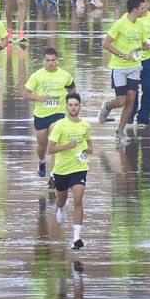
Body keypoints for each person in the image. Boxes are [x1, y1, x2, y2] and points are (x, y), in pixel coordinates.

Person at [100, 0, 150, 137]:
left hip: (135, 66)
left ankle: (120, 130)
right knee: (121, 101)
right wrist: (122, 54)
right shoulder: (120, 23)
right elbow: (106, 44)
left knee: (131, 98)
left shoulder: (140, 23)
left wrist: (148, 45)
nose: (145, 10)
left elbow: (143, 43)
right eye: (142, 8)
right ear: (135, 9)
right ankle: (107, 106)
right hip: (119, 67)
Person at [23, 46, 75, 180]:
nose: (51, 63)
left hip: (58, 114)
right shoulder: (37, 76)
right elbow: (25, 94)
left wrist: (70, 103)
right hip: (41, 115)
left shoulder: (65, 75)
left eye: (53, 60)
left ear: (57, 60)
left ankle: (54, 174)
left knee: (55, 142)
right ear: (44, 61)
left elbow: (72, 89)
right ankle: (41, 161)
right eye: (48, 60)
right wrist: (38, 98)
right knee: (42, 146)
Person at [47, 92, 92, 249]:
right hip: (61, 170)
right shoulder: (59, 125)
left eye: (76, 105)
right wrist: (67, 146)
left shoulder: (85, 126)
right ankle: (60, 207)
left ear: (80, 106)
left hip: (79, 168)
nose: (73, 108)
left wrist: (87, 151)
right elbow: (50, 149)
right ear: (66, 106)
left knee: (78, 200)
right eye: (71, 105)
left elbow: (89, 144)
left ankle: (76, 238)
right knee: (61, 200)